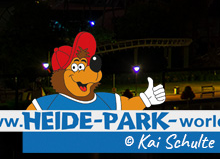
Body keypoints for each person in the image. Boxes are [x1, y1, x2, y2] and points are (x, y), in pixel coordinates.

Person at [27, 32, 165, 111]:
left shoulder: (105, 100)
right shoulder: (47, 105)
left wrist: (147, 99)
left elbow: (127, 106)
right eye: (75, 68)